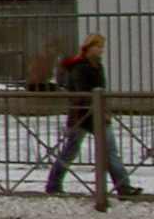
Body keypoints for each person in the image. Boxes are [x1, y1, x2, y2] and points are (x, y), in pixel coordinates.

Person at [43, 33, 140, 198]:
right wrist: (97, 107)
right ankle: (53, 184)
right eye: (98, 46)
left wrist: (104, 109)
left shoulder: (97, 66)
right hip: (81, 115)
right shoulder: (80, 67)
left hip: (97, 114)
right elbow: (84, 93)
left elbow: (100, 91)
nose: (101, 50)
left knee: (109, 150)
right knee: (71, 150)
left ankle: (123, 187)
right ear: (88, 47)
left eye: (102, 47)